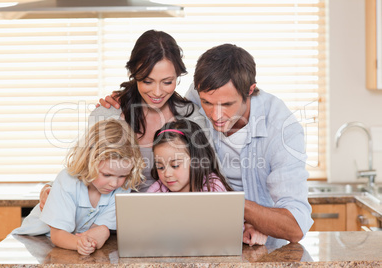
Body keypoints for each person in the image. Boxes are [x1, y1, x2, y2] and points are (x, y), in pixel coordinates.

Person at [100, 43, 313, 243]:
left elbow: (296, 226)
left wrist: (230, 205)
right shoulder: (197, 94)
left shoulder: (283, 131)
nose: (216, 115)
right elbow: (160, 92)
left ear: (250, 90)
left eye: (227, 104)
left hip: (257, 240)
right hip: (201, 235)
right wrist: (127, 97)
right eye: (207, 103)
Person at [39, 29, 208, 209]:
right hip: (111, 217)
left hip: (176, 214)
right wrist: (54, 187)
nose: (157, 92)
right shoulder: (108, 115)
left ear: (178, 77)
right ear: (134, 75)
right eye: (147, 81)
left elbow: (207, 177)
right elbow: (85, 165)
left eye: (167, 82)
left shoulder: (192, 119)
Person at [12, 119, 145, 255]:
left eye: (122, 176)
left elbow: (96, 232)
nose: (114, 183)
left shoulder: (122, 188)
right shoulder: (68, 181)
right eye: (106, 174)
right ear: (89, 162)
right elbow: (57, 234)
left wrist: (99, 234)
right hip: (32, 240)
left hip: (67, 239)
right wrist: (78, 243)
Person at [147, 119, 233, 193]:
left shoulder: (213, 189)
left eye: (175, 165)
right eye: (160, 167)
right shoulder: (157, 191)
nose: (167, 174)